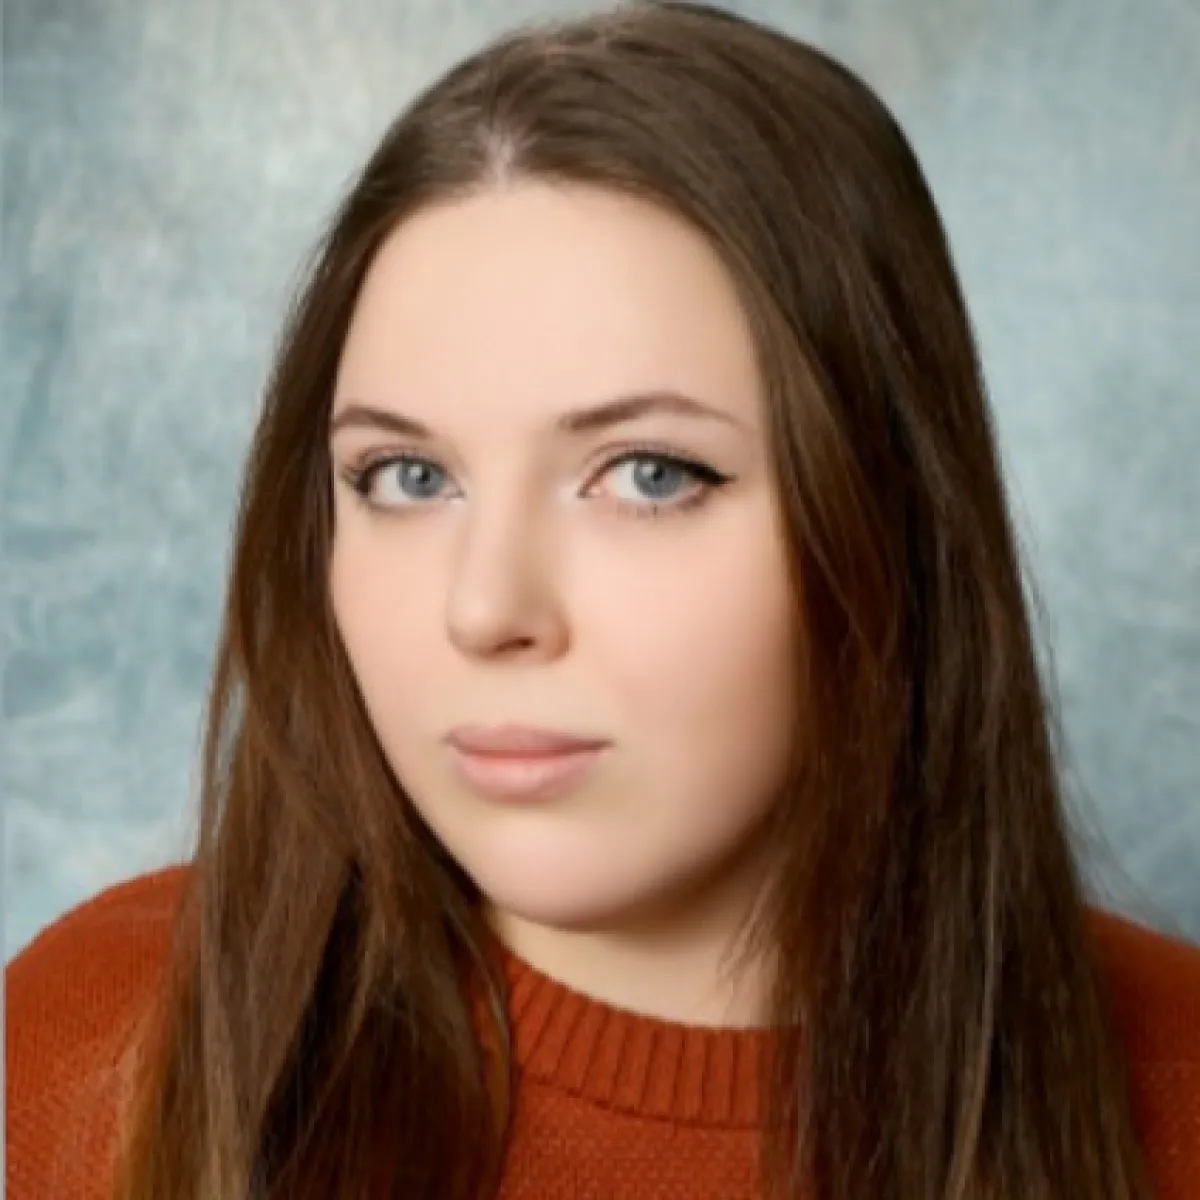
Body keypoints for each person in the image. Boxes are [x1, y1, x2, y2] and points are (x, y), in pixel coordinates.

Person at [7, 2, 1200, 1197]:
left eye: (649, 475)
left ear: (893, 511)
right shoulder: (84, 1056)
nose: (486, 610)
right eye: (408, 477)